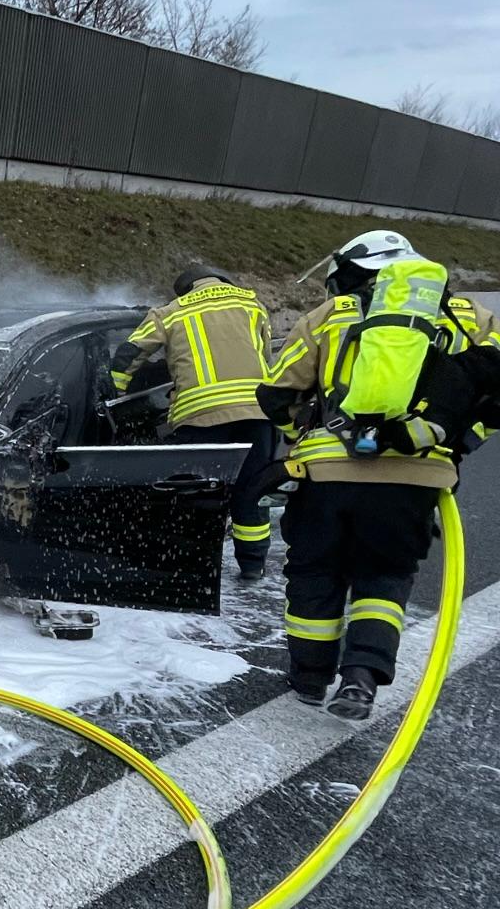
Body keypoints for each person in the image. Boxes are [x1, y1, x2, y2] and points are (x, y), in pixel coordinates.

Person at [257, 228, 500, 721]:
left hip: (327, 471)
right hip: (417, 475)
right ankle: (362, 676)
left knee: (315, 571)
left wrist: (295, 435)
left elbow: (277, 391)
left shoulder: (332, 314)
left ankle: (308, 678)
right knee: (385, 574)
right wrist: (459, 441)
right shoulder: (471, 317)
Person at [109, 262, 277, 578]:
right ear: (221, 281)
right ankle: (253, 565)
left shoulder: (170, 312)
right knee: (252, 491)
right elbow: (264, 356)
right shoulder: (252, 303)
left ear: (186, 288)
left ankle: (189, 569)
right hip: (257, 413)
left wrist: (113, 396)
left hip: (201, 417)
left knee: (197, 494)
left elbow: (127, 355)